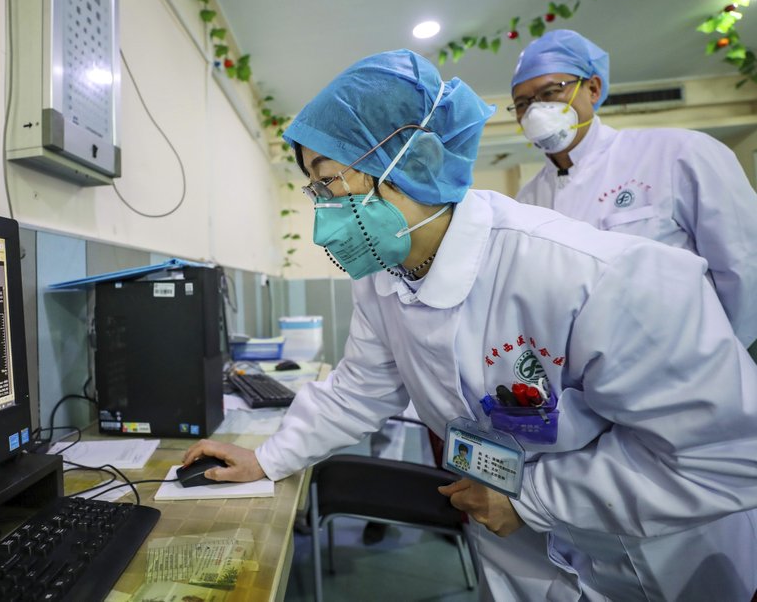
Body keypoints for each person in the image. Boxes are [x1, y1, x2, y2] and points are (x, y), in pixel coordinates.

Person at [183, 49, 757, 601]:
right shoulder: (384, 274)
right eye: (316, 189)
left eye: (330, 182)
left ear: (417, 162)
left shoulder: (595, 274)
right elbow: (359, 389)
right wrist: (268, 458)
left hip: (652, 557)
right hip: (512, 548)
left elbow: (724, 455)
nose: (323, 211)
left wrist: (533, 500)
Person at [510, 29, 757, 350]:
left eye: (550, 92)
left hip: (694, 367)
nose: (536, 110)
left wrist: (718, 359)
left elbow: (745, 265)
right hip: (591, 382)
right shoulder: (526, 202)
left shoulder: (678, 153)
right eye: (523, 103)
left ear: (593, 88)